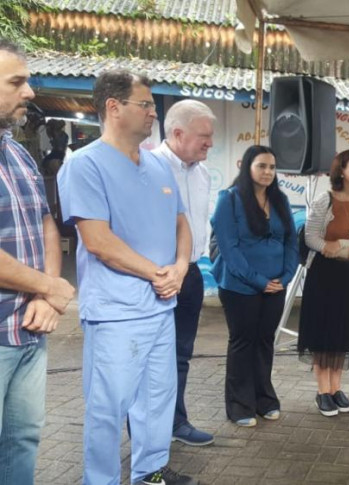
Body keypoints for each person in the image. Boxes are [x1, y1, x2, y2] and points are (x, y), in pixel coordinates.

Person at [58, 69, 196, 485]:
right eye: (146, 104)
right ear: (113, 108)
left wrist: (182, 266)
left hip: (160, 304)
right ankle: (98, 480)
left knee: (157, 398)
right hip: (116, 310)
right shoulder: (84, 165)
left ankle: (149, 472)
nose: (154, 112)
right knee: (108, 406)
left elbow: (181, 223)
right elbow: (98, 240)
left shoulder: (157, 165)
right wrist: (160, 273)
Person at [0, 38, 75, 485]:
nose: (30, 91)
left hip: (28, 328)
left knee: (23, 438)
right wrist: (49, 286)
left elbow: (46, 222)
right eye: (17, 81)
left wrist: (47, 293)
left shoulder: (16, 150)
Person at [211, 145, 299, 427]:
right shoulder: (230, 200)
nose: (268, 172)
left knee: (264, 342)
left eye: (272, 167)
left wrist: (285, 277)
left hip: (276, 285)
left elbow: (290, 242)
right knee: (243, 342)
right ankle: (239, 405)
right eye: (261, 166)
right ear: (247, 167)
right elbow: (229, 249)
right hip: (240, 285)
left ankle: (264, 400)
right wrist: (259, 282)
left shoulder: (281, 201)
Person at [151, 99, 216, 444]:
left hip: (190, 273)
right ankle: (150, 436)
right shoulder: (149, 167)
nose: (210, 143)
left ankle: (175, 423)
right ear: (177, 133)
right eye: (203, 136)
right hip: (157, 277)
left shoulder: (202, 172)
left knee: (181, 355)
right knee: (153, 361)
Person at [299, 149, 349, 416]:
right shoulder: (325, 200)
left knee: (344, 332)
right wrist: (331, 248)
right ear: (341, 171)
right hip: (324, 276)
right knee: (324, 331)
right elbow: (311, 237)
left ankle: (336, 388)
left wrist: (341, 246)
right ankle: (323, 391)